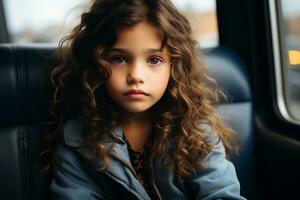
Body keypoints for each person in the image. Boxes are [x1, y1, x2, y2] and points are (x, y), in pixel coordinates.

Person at [44, 0, 246, 199]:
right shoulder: (78, 138)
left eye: (154, 60)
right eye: (119, 59)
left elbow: (220, 193)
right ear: (94, 64)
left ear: (174, 67)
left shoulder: (195, 132)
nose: (136, 75)